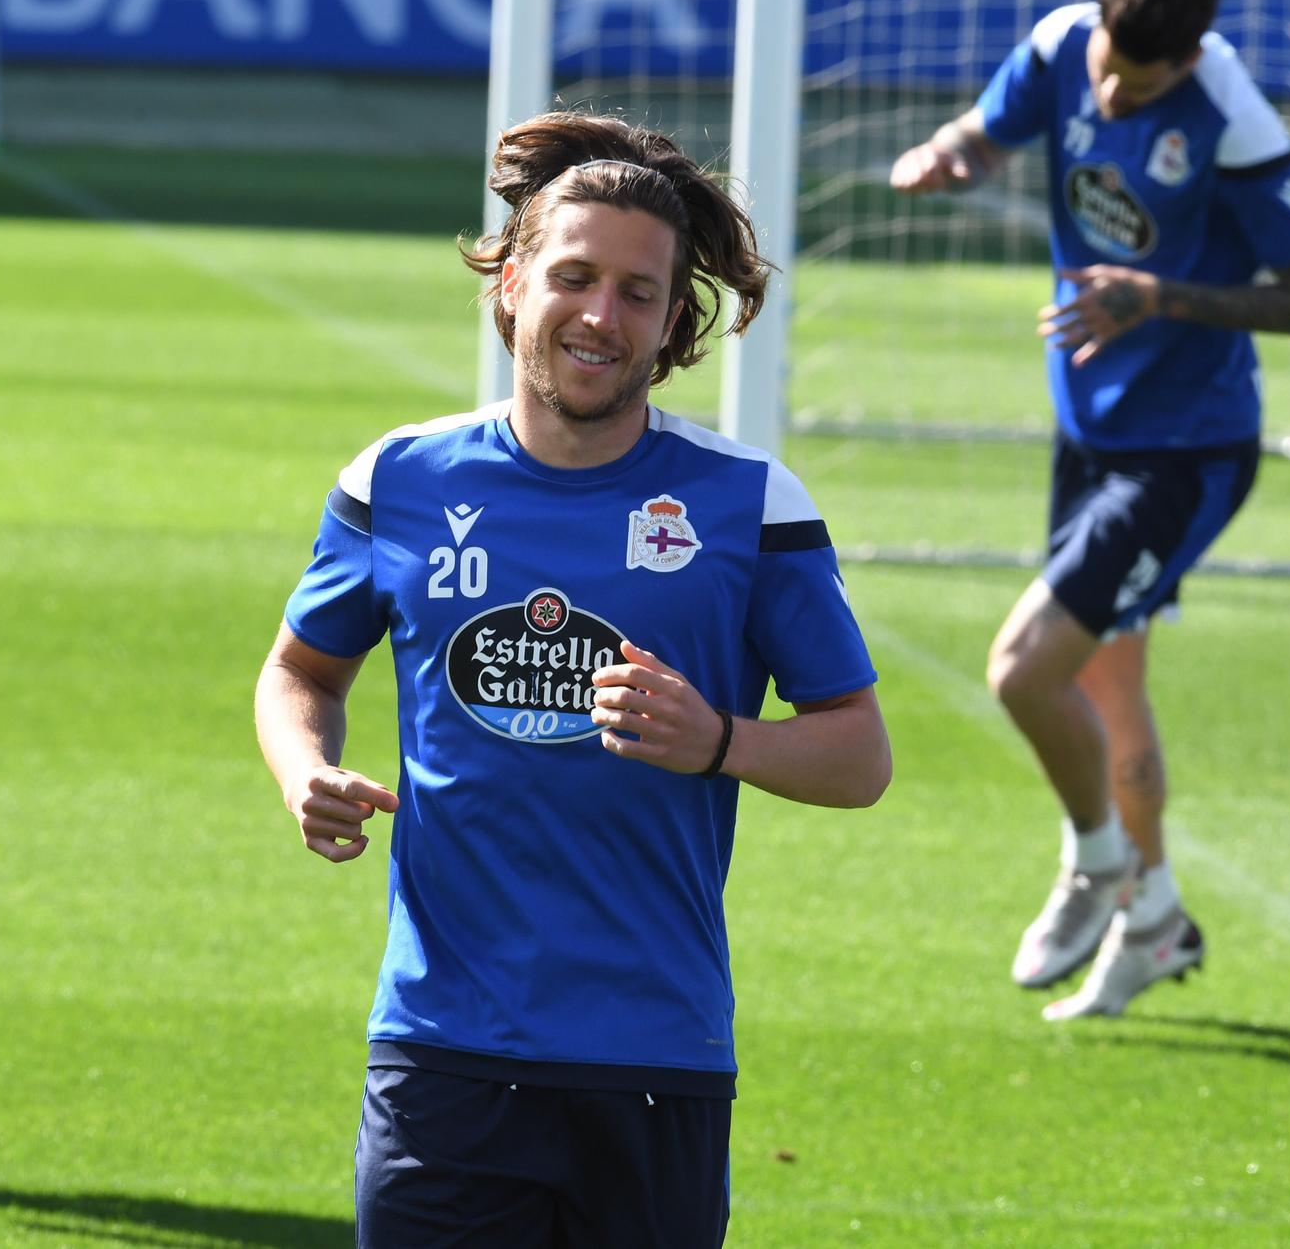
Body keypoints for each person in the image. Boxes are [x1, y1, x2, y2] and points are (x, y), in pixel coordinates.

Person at [254, 111, 891, 1246]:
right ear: (508, 285)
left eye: (638, 293)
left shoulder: (748, 504)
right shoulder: (394, 479)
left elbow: (858, 754)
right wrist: (304, 766)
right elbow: (299, 669)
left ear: (671, 325)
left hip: (653, 1059)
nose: (600, 315)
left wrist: (719, 740)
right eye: (574, 276)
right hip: (441, 1047)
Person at [890, 0, 1290, 1019]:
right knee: (1101, 684)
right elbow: (981, 130)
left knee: (1021, 670)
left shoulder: (1233, 125)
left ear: (1185, 64)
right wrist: (946, 155)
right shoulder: (1057, 43)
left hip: (1187, 450)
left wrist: (1158, 297)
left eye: (1134, 92)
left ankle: (1097, 866)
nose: (1105, 97)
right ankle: (1154, 921)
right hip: (1088, 428)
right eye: (1103, 70)